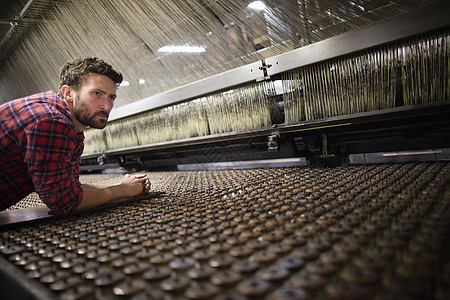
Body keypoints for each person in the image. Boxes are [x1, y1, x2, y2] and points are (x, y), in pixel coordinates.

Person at [0, 57, 151, 215]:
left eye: (111, 97)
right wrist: (122, 190)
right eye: (97, 93)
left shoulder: (73, 130)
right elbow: (65, 201)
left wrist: (124, 186)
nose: (106, 106)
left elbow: (70, 188)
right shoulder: (50, 122)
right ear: (68, 93)